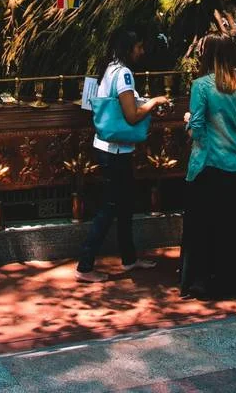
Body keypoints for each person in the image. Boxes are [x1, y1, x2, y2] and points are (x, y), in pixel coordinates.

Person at [76, 28, 171, 283]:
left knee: (125, 204)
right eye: (138, 46)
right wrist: (154, 102)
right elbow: (131, 115)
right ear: (128, 48)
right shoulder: (124, 74)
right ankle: (84, 265)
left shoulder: (109, 69)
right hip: (115, 151)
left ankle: (129, 258)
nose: (141, 51)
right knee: (109, 207)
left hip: (108, 147)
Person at [179, 33, 236, 299]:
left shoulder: (201, 86)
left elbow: (196, 129)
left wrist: (188, 120)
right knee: (233, 227)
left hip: (208, 165)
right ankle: (235, 279)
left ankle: (201, 280)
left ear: (207, 56)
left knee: (204, 226)